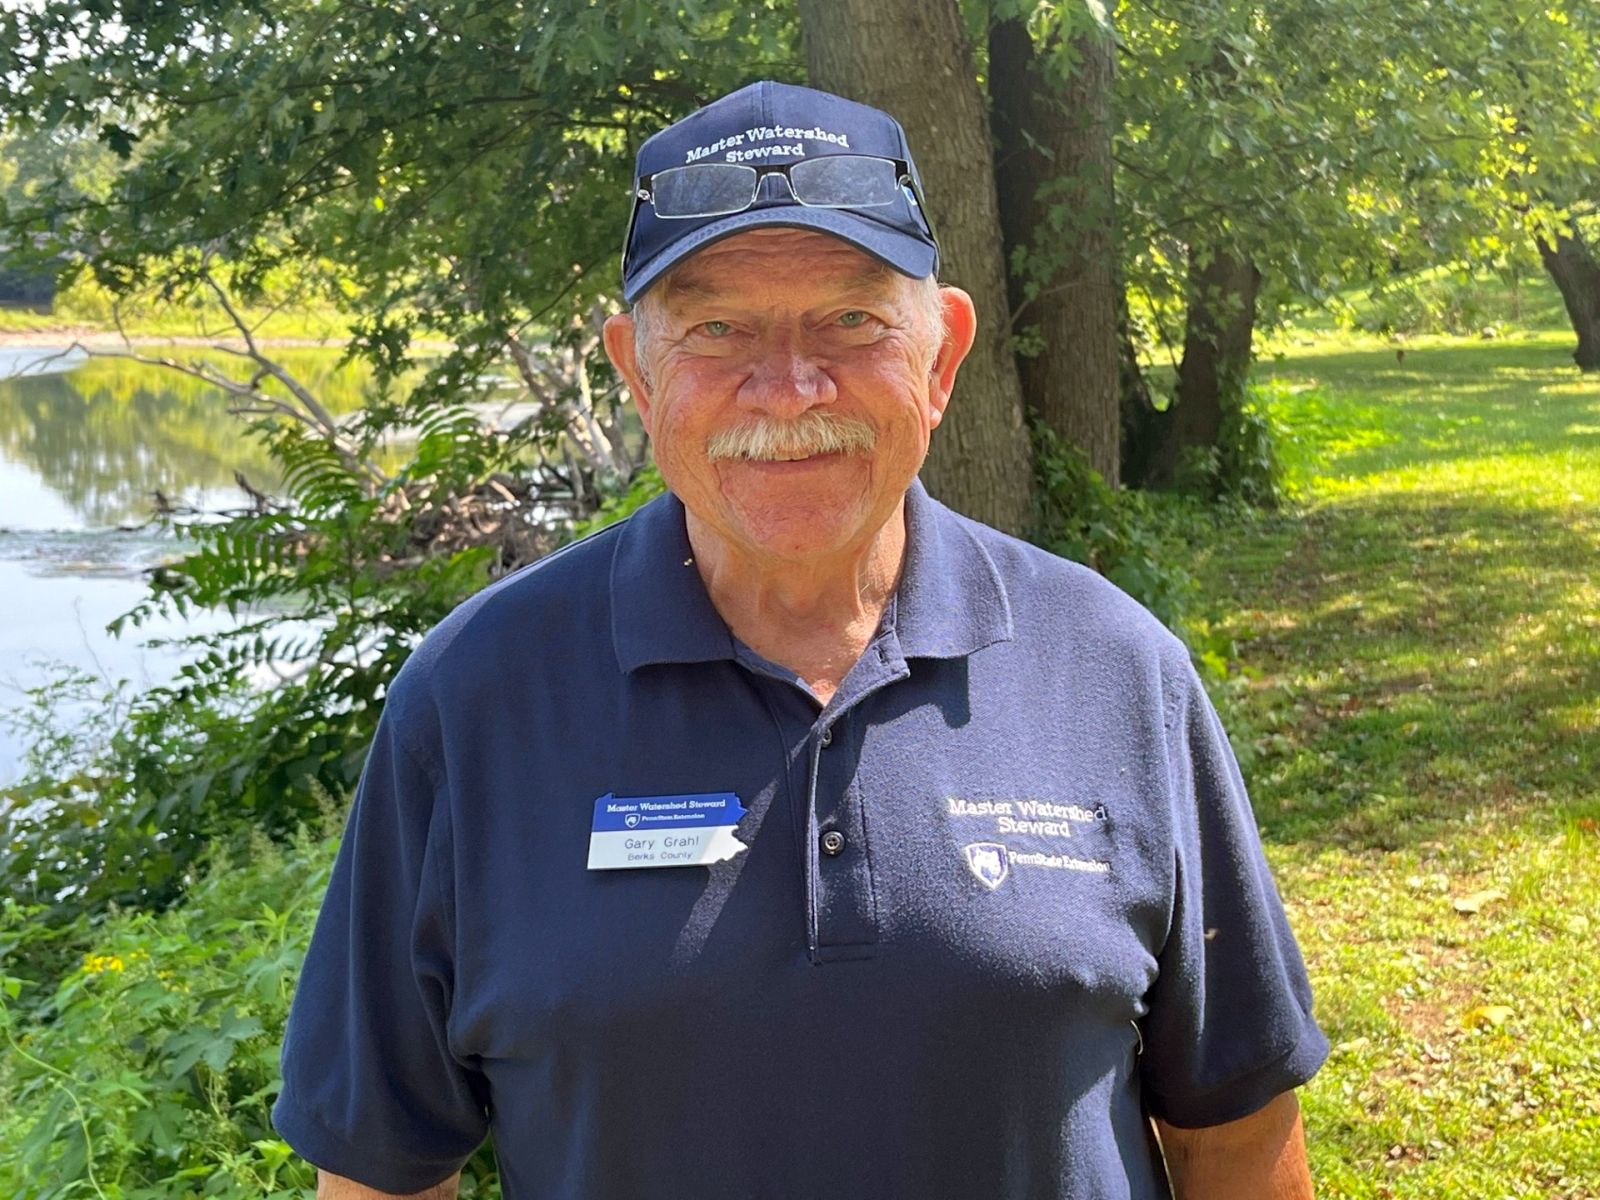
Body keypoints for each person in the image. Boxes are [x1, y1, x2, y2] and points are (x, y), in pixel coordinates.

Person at [273, 80, 1328, 1199]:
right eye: (717, 328)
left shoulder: (1112, 667)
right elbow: (382, 1171)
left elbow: (1235, 1130)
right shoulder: (472, 699)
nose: (787, 389)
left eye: (852, 320)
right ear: (634, 367)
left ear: (940, 355)